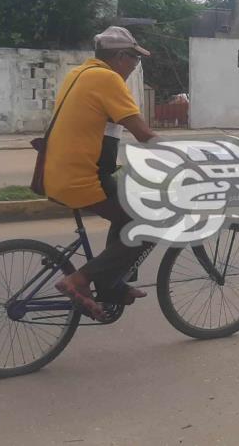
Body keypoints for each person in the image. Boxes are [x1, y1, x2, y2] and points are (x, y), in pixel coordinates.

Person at [44, 26, 158, 320]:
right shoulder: (107, 79)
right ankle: (80, 279)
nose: (135, 66)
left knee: (127, 208)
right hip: (84, 178)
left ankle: (111, 286)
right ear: (120, 56)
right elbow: (143, 133)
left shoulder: (79, 74)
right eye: (134, 59)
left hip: (58, 172)